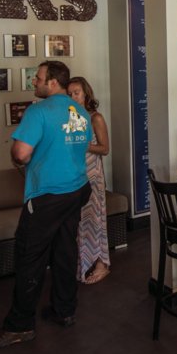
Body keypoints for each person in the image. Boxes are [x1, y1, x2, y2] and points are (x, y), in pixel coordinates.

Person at [0, 61, 92, 349]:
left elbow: (20, 153)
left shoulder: (38, 111)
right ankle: (64, 310)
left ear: (53, 82)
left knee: (29, 256)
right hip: (77, 189)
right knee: (65, 251)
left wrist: (17, 155)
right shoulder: (79, 110)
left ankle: (19, 326)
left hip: (48, 196)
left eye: (38, 78)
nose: (34, 83)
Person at [67, 76, 111, 285]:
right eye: (69, 94)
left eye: (76, 92)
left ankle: (102, 264)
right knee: (80, 223)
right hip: (74, 176)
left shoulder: (96, 118)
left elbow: (105, 149)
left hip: (93, 176)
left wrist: (84, 145)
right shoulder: (71, 118)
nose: (73, 96)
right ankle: (83, 263)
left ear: (86, 93)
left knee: (95, 219)